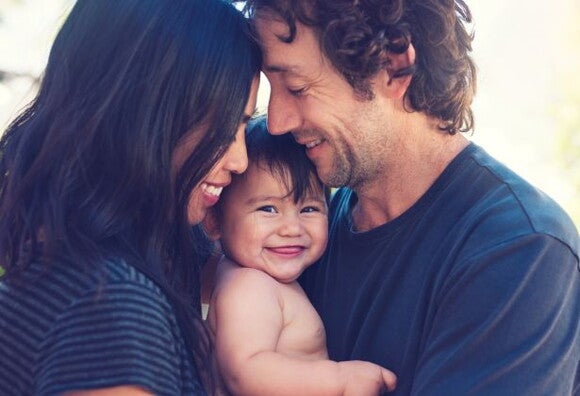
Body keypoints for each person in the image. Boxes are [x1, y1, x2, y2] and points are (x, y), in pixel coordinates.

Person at [239, 0, 580, 394]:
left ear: (394, 65)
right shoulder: (301, 234)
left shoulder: (519, 250)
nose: (277, 121)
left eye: (297, 87)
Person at [0, 0, 261, 394]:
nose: (240, 159)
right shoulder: (109, 304)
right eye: (227, 127)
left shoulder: (71, 253)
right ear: (151, 113)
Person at [202, 116, 397, 395]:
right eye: (268, 209)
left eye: (309, 209)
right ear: (214, 222)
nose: (292, 228)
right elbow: (246, 371)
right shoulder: (249, 286)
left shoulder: (256, 277)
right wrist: (341, 380)